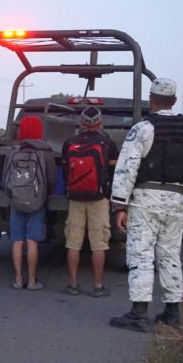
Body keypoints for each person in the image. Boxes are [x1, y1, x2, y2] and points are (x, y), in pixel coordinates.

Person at [109, 78, 183, 332]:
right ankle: (172, 312)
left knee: (141, 254)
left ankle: (138, 314)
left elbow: (127, 169)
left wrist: (120, 205)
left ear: (151, 100)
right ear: (173, 101)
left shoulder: (144, 128)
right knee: (170, 255)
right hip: (176, 200)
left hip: (146, 200)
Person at [62, 106, 119, 297]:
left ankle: (73, 285)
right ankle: (98, 286)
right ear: (100, 123)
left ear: (81, 123)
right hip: (99, 198)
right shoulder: (108, 143)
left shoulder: (69, 143)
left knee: (73, 242)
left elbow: (65, 171)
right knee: (99, 244)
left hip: (75, 199)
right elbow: (114, 170)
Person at [3, 116, 57, 290]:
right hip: (36, 201)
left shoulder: (13, 150)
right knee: (32, 241)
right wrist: (44, 194)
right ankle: (32, 280)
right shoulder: (45, 150)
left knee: (17, 240)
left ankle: (18, 279)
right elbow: (52, 179)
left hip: (16, 200)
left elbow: (5, 177)